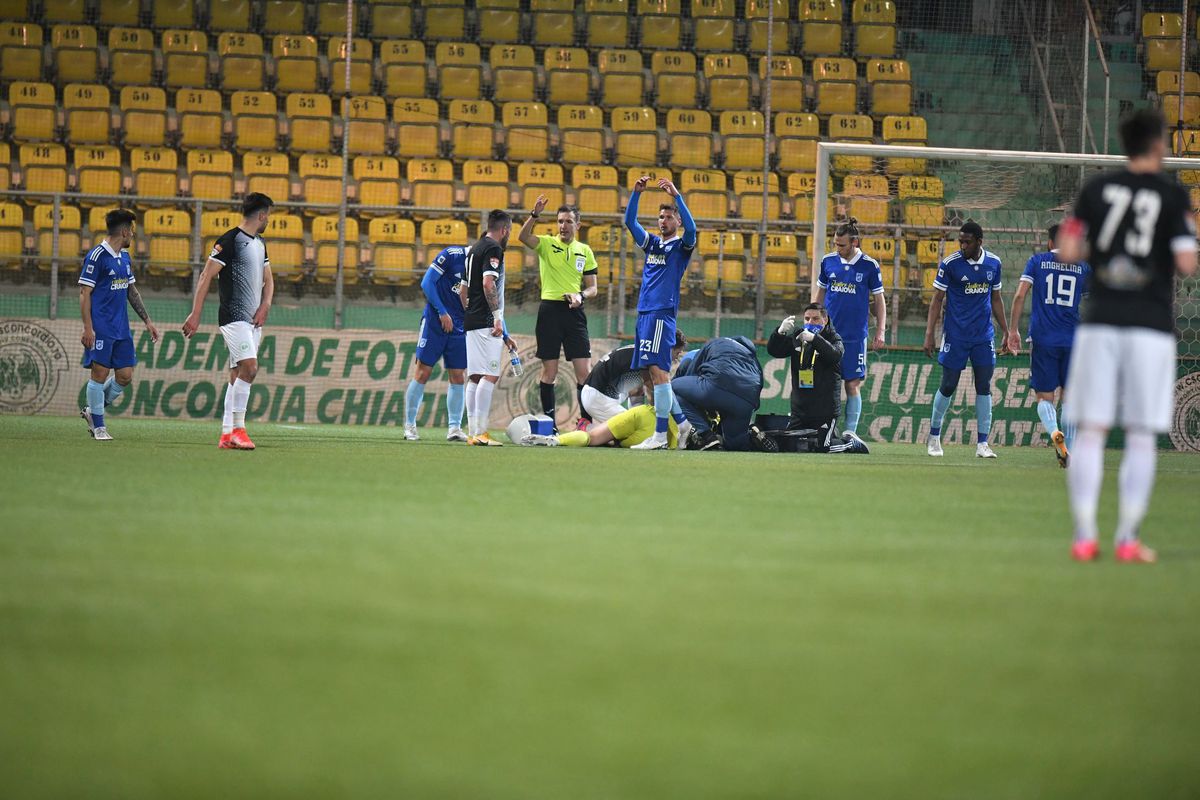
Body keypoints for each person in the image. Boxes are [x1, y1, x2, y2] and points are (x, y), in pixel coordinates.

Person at [1056, 108, 1197, 563]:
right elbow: (1187, 263)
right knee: (1139, 435)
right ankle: (1128, 540)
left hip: (1100, 319)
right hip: (1150, 325)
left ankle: (1083, 535)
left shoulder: (1095, 190)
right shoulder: (1173, 196)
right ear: (1158, 144)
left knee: (1091, 432)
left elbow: (1071, 250)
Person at [182, 192, 274, 450]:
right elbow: (205, 276)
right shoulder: (230, 240)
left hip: (254, 320)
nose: (269, 220)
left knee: (237, 375)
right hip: (234, 317)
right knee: (250, 368)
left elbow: (270, 280)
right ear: (262, 215)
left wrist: (265, 305)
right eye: (269, 216)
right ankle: (239, 430)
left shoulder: (259, 243)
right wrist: (196, 313)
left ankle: (225, 434)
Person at [923, 221, 1011, 459]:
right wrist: (930, 333)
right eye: (960, 241)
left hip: (983, 336)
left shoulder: (994, 263)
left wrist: (1007, 331)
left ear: (979, 242)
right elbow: (937, 299)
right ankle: (933, 437)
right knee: (949, 384)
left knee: (983, 386)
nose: (962, 245)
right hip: (956, 335)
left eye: (967, 242)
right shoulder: (950, 264)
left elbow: (996, 299)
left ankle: (983, 444)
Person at [1005, 224, 1090, 468]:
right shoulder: (1083, 267)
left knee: (1045, 397)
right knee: (1070, 397)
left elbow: (1020, 295)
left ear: (1051, 242)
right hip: (1073, 339)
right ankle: (1069, 450)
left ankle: (1054, 433)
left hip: (1043, 338)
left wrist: (1013, 331)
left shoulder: (1037, 261)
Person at [623, 176, 697, 450]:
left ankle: (659, 437)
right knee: (651, 376)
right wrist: (636, 194)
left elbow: (693, 230)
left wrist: (677, 196)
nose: (663, 221)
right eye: (661, 217)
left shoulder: (681, 247)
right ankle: (684, 425)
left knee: (659, 373)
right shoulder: (652, 244)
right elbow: (631, 223)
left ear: (676, 221)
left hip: (660, 313)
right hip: (644, 313)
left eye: (668, 217)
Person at [78, 209, 161, 440]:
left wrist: (147, 321)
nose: (133, 235)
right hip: (101, 326)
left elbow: (131, 291)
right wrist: (88, 327)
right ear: (124, 231)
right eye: (132, 231)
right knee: (100, 373)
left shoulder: (124, 257)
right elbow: (84, 293)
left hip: (121, 327)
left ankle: (92, 411)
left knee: (125, 376)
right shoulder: (96, 256)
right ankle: (99, 426)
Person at [518, 196, 599, 429]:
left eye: (568, 221)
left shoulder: (585, 251)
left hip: (575, 313)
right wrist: (534, 215)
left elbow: (593, 287)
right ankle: (549, 425)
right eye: (560, 221)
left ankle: (586, 422)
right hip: (549, 312)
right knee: (549, 372)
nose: (563, 226)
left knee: (584, 373)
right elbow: (522, 237)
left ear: (578, 225)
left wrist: (580, 296)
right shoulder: (545, 243)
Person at [813, 217, 887, 435]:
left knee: (852, 384)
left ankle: (851, 433)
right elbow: (819, 294)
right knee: (823, 383)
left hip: (855, 336)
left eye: (842, 245)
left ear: (854, 242)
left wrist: (881, 330)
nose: (838, 248)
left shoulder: (869, 266)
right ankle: (824, 430)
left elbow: (879, 300)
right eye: (835, 243)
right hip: (827, 335)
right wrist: (812, 321)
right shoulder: (828, 261)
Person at [766, 303, 866, 453]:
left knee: (822, 448)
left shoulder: (834, 338)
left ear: (825, 320)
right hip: (800, 411)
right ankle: (832, 435)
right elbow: (775, 351)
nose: (810, 322)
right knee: (786, 446)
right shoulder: (799, 337)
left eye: (815, 319)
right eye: (807, 319)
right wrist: (779, 333)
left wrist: (815, 339)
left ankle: (851, 444)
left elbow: (834, 355)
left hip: (825, 412)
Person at [404, 245, 469, 442]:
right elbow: (427, 282)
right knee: (422, 372)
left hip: (459, 325)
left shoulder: (483, 267)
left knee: (458, 376)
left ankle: (455, 428)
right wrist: (442, 311)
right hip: (435, 321)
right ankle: (410, 425)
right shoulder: (452, 255)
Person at [463, 209, 514, 446]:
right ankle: (481, 433)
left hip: (471, 319)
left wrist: (471, 312)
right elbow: (487, 282)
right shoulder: (494, 249)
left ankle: (474, 433)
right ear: (504, 230)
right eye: (509, 231)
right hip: (485, 320)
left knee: (474, 377)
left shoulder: (473, 249)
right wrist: (496, 317)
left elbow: (463, 290)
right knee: (490, 375)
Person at [671, 335, 763, 452]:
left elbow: (692, 376)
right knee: (734, 446)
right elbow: (760, 383)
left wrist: (705, 412)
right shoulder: (751, 355)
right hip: (746, 402)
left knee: (671, 389)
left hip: (717, 386)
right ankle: (753, 435)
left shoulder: (714, 343)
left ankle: (706, 436)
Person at [580, 332, 687, 426]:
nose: (677, 357)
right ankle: (588, 429)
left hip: (598, 393)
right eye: (677, 353)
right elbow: (654, 389)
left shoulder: (645, 350)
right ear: (669, 348)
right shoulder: (651, 357)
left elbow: (636, 391)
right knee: (638, 430)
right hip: (599, 398)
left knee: (640, 417)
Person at [520, 405, 680, 449]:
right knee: (617, 443)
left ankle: (557, 440)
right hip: (666, 435)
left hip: (646, 412)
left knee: (592, 438)